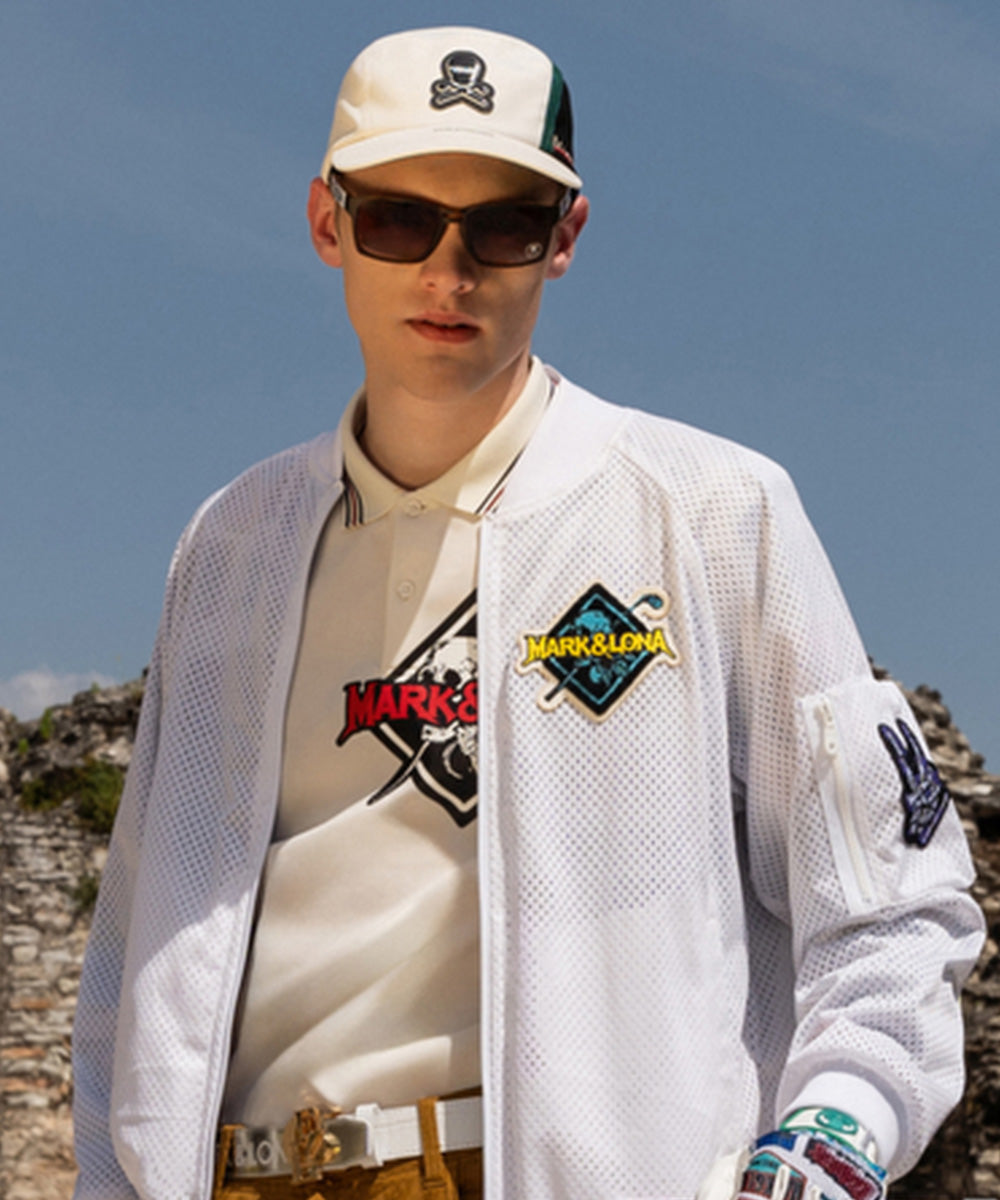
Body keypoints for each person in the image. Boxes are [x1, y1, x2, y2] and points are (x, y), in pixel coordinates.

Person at [71, 25, 984, 1200]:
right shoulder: (229, 547)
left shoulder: (715, 514)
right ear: (326, 222)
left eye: (502, 226)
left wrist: (834, 1133)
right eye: (399, 219)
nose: (447, 273)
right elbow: (125, 972)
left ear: (565, 237)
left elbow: (892, 901)